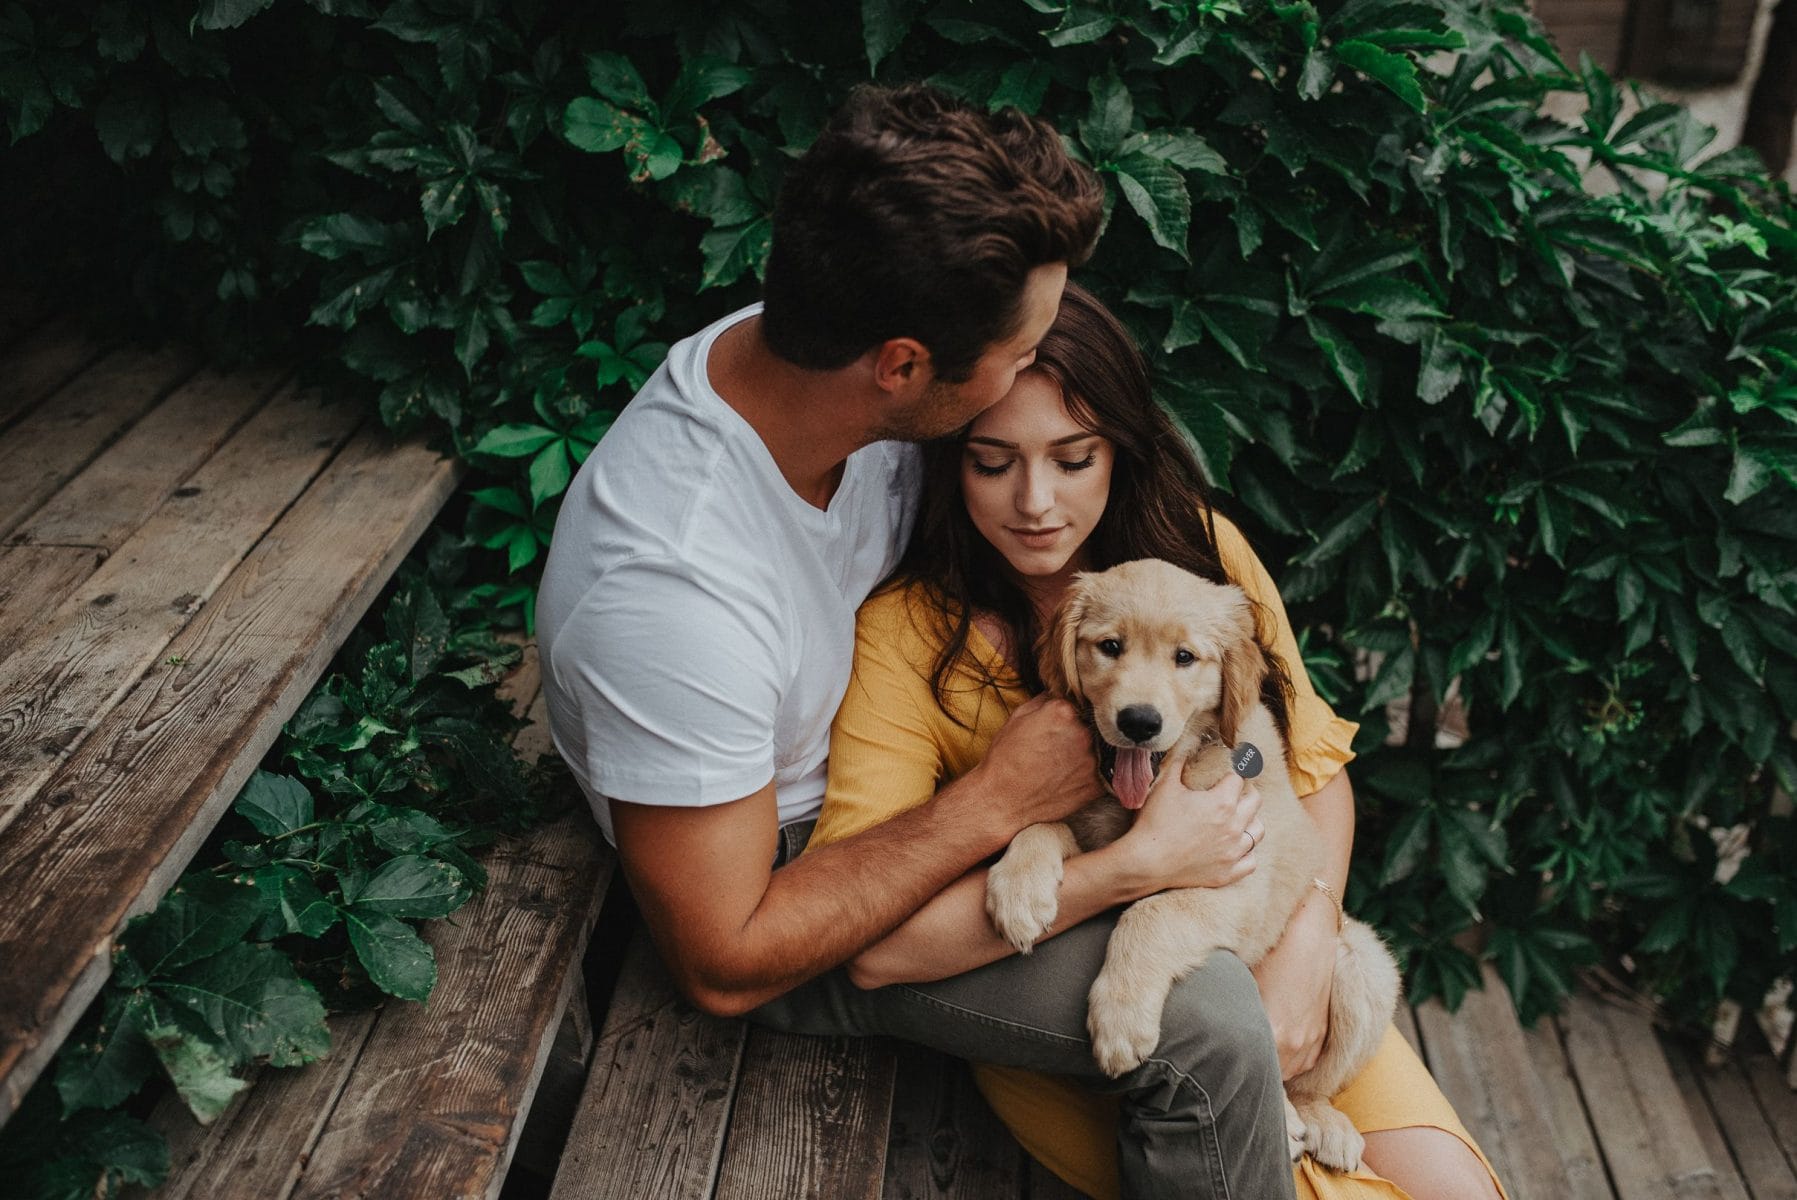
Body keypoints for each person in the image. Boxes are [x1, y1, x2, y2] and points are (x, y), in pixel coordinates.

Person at [537, 83, 1303, 1198]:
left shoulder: (819, 360)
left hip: (922, 792)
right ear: (903, 366)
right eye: (1022, 345)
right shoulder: (671, 591)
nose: (1038, 363)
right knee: (1209, 1029)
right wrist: (999, 805)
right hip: (785, 884)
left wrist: (1309, 908)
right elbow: (724, 957)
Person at [805, 282, 1510, 1200]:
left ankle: (1308, 1095)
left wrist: (1306, 946)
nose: (1035, 503)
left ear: (1119, 453)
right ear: (949, 463)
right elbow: (877, 942)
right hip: (1095, 1004)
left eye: (1073, 457)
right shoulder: (906, 633)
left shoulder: (1203, 557)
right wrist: (1122, 866)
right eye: (991, 462)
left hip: (1277, 959)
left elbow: (1310, 772)